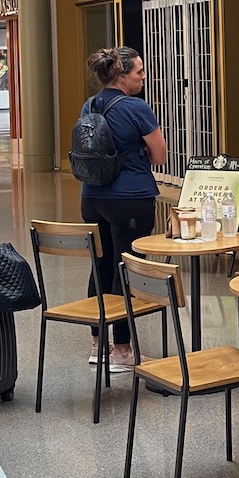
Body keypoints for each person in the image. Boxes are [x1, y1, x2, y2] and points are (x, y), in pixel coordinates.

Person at [78, 46, 167, 369]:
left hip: (92, 197)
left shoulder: (89, 105)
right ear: (121, 76)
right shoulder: (136, 107)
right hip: (130, 198)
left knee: (100, 266)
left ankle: (97, 344)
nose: (143, 76)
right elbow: (160, 156)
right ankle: (123, 350)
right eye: (138, 72)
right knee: (125, 267)